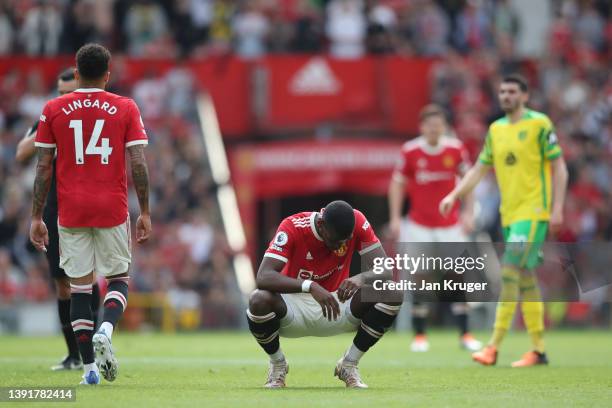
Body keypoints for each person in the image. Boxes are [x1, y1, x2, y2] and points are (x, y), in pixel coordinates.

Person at [29, 43, 152, 385]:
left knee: (79, 288)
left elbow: (43, 168)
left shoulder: (53, 108)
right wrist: (145, 211)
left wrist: (36, 216)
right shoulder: (125, 106)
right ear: (108, 75)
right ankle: (107, 330)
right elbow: (138, 163)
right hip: (111, 207)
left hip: (71, 209)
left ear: (77, 73)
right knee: (119, 278)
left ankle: (88, 371)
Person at [439, 74, 568, 367]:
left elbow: (559, 168)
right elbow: (478, 169)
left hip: (533, 212)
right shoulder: (496, 130)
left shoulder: (539, 124)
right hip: (509, 215)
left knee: (509, 271)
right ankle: (538, 349)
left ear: (525, 95)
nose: (506, 96)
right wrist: (454, 195)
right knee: (525, 278)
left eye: (512, 92)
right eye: (502, 92)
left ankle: (493, 345)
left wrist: (557, 207)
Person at [247, 200, 402, 388]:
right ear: (321, 225)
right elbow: (264, 276)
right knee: (258, 299)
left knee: (392, 292)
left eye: (346, 241)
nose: (340, 247)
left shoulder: (357, 221)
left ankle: (349, 364)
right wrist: (310, 286)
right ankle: (278, 365)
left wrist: (360, 278)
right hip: (294, 308)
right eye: (335, 241)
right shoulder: (293, 226)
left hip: (338, 304)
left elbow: (385, 269)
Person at [16, 68, 101, 372]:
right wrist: (51, 134)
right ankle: (74, 354)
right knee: (62, 283)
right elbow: (21, 153)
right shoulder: (50, 117)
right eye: (61, 93)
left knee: (87, 277)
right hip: (54, 207)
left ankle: (95, 348)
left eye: (70, 92)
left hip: (84, 203)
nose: (65, 98)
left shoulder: (93, 121)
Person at [388, 104, 482, 353]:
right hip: (419, 225)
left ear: (444, 126)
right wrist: (395, 218)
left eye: (438, 124)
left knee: (457, 278)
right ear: (422, 127)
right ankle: (419, 336)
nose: (434, 128)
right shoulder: (410, 151)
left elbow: (469, 182)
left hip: (450, 225)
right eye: (429, 124)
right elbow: (397, 185)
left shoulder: (455, 149)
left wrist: (468, 212)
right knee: (420, 279)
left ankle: (465, 334)